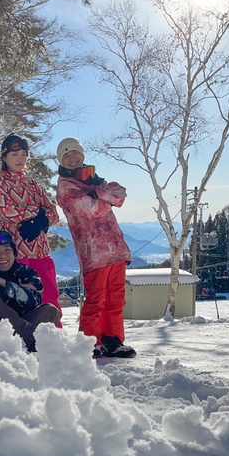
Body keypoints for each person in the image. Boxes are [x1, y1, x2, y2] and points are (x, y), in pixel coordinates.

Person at [55, 137, 136, 358]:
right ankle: (90, 341)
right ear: (61, 160)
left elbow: (120, 194)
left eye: (75, 153)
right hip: (93, 251)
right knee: (96, 297)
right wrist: (105, 198)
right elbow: (89, 209)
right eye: (66, 155)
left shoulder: (93, 180)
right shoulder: (66, 185)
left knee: (116, 298)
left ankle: (113, 340)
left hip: (116, 248)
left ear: (82, 154)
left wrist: (99, 193)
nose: (72, 158)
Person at [0, 134, 62, 323]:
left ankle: (55, 339)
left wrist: (42, 222)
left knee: (50, 297)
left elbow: (54, 213)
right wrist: (37, 213)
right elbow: (5, 212)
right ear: (4, 157)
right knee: (23, 298)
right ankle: (26, 339)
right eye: (15, 154)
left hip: (41, 251)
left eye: (23, 154)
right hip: (16, 251)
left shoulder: (32, 184)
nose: (20, 159)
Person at [0, 230, 61, 352]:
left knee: (51, 310)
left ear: (14, 253)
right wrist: (20, 289)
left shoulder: (26, 271)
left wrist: (3, 283)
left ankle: (26, 342)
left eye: (7, 250)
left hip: (27, 319)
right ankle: (33, 341)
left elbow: (34, 300)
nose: (2, 256)